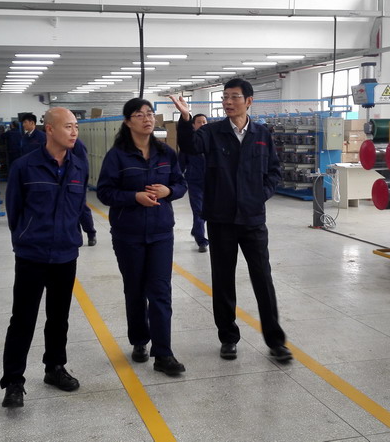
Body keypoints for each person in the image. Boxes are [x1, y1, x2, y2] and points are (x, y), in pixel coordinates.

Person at [172, 79, 292, 363]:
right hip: (221, 219)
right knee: (223, 279)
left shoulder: (262, 134)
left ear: (249, 101)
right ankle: (228, 337)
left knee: (263, 279)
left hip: (252, 220)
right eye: (225, 97)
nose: (227, 102)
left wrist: (261, 195)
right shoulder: (212, 132)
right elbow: (189, 145)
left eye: (234, 97)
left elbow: (274, 171)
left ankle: (276, 341)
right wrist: (186, 118)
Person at [0, 107, 88, 409]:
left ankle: (55, 367)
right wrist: (25, 238)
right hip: (32, 255)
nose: (74, 132)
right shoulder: (25, 167)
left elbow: (79, 207)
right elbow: (14, 211)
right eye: (68, 126)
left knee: (59, 317)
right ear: (49, 129)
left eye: (76, 126)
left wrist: (76, 235)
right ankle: (13, 381)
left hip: (65, 254)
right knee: (22, 319)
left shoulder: (78, 166)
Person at [97, 98, 188, 376]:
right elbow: (105, 192)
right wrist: (134, 197)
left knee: (160, 291)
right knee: (135, 290)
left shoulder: (165, 152)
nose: (147, 119)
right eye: (139, 115)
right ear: (127, 122)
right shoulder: (117, 156)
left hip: (161, 233)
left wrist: (168, 192)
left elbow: (180, 183)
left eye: (150, 114)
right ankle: (139, 340)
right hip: (129, 234)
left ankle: (163, 353)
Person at [178, 113, 209, 252]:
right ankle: (201, 240)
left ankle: (196, 229)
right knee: (199, 211)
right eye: (199, 122)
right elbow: (180, 165)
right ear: (193, 125)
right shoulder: (189, 144)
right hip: (195, 182)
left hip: (211, 183)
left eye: (204, 122)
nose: (202, 124)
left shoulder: (212, 141)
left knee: (209, 211)